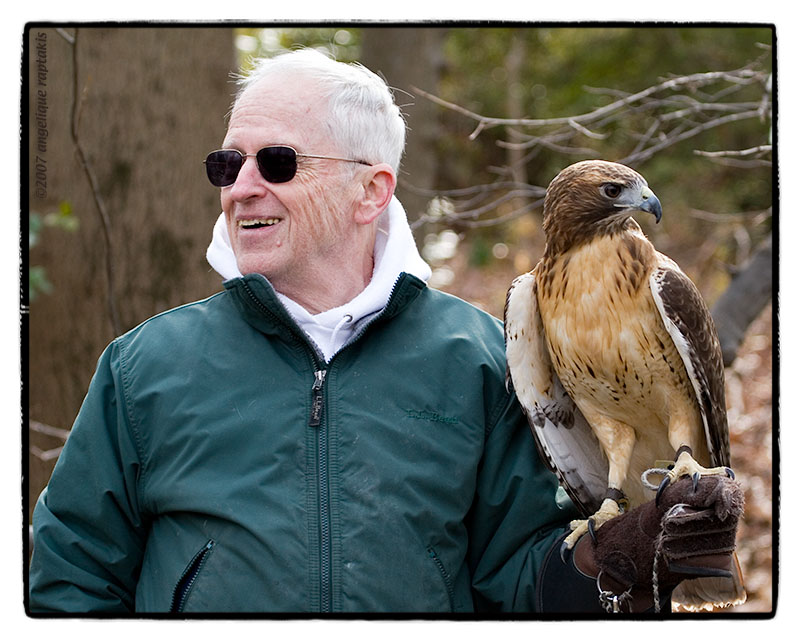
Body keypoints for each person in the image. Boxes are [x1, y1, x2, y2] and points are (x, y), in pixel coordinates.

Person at [28, 48, 741, 615]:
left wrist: (609, 558)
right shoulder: (143, 365)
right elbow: (67, 578)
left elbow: (520, 585)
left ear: (371, 190)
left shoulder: (479, 358)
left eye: (277, 161)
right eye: (227, 163)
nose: (241, 186)